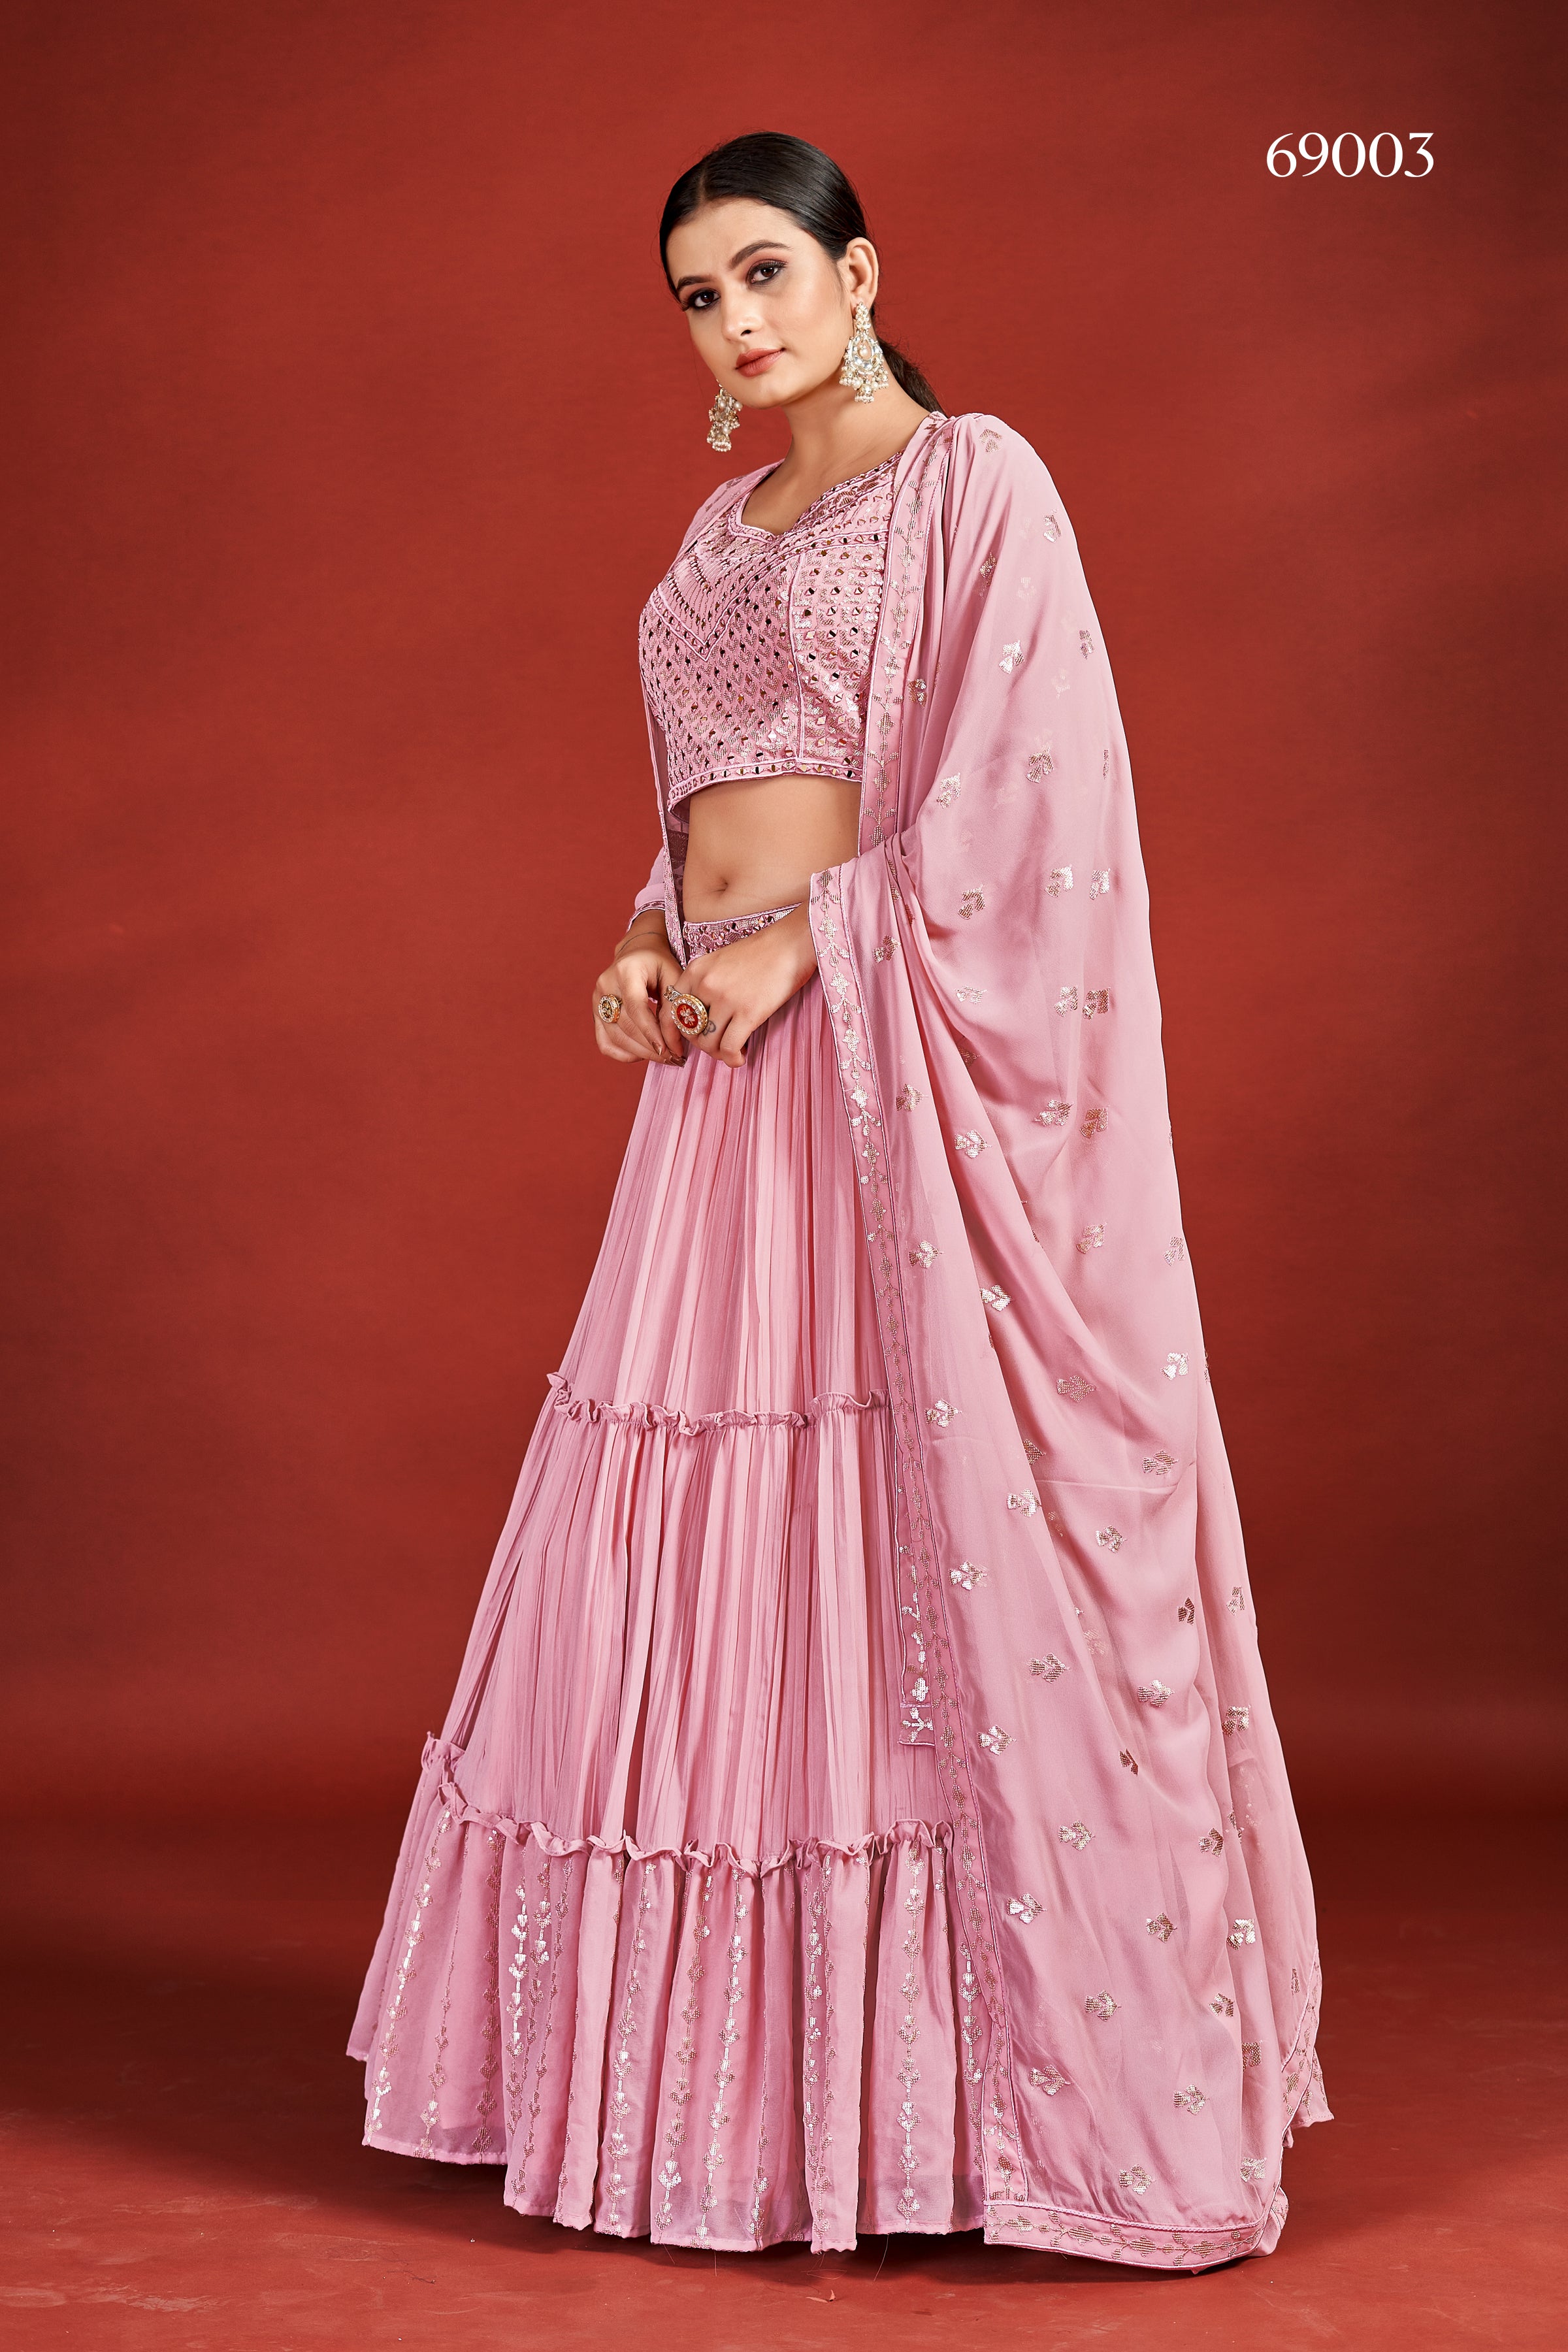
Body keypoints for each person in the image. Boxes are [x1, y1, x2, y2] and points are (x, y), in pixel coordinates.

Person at [350, 131, 1331, 2268]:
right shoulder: (715, 536)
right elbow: (705, 808)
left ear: (860, 271)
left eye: (768, 272)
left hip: (870, 1071)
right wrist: (644, 939)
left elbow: (1031, 803)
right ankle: (735, 2113)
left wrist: (820, 939)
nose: (737, 321)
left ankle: (969, 2115)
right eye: (700, 297)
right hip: (722, 1085)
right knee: (702, 1562)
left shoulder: (976, 486)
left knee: (881, 1541)